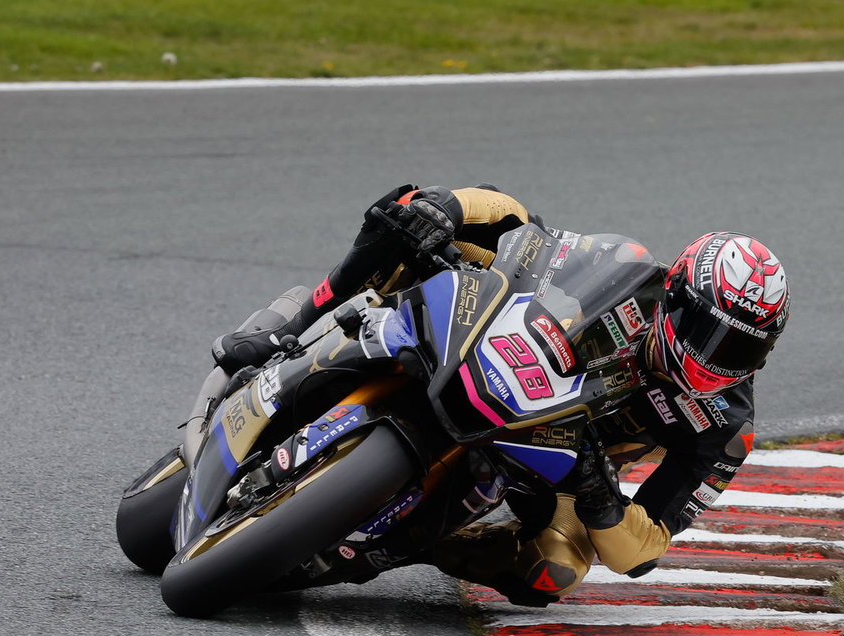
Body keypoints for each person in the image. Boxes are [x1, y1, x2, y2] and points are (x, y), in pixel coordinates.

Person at [212, 184, 791, 606]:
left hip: (560, 464)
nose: (717, 360)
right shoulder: (628, 269)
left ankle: (418, 545)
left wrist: (597, 493)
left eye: (741, 350)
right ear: (677, 299)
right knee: (411, 212)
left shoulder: (724, 426)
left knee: (554, 569)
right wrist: (449, 211)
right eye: (711, 336)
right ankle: (284, 335)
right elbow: (525, 232)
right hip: (494, 359)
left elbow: (639, 552)